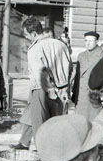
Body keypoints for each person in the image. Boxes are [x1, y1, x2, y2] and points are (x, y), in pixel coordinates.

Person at [12, 17, 71, 150]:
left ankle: (42, 153)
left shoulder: (35, 48)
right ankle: (55, 155)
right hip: (62, 91)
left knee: (40, 126)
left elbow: (40, 73)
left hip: (42, 90)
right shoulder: (61, 45)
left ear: (34, 34)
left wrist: (49, 90)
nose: (26, 37)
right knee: (56, 125)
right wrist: (64, 87)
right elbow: (70, 69)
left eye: (26, 34)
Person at [73, 31, 103, 120]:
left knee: (93, 121)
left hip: (93, 95)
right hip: (81, 95)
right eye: (86, 40)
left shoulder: (102, 56)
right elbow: (77, 77)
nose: (87, 43)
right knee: (80, 121)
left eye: (90, 41)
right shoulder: (81, 56)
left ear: (97, 41)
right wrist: (74, 94)